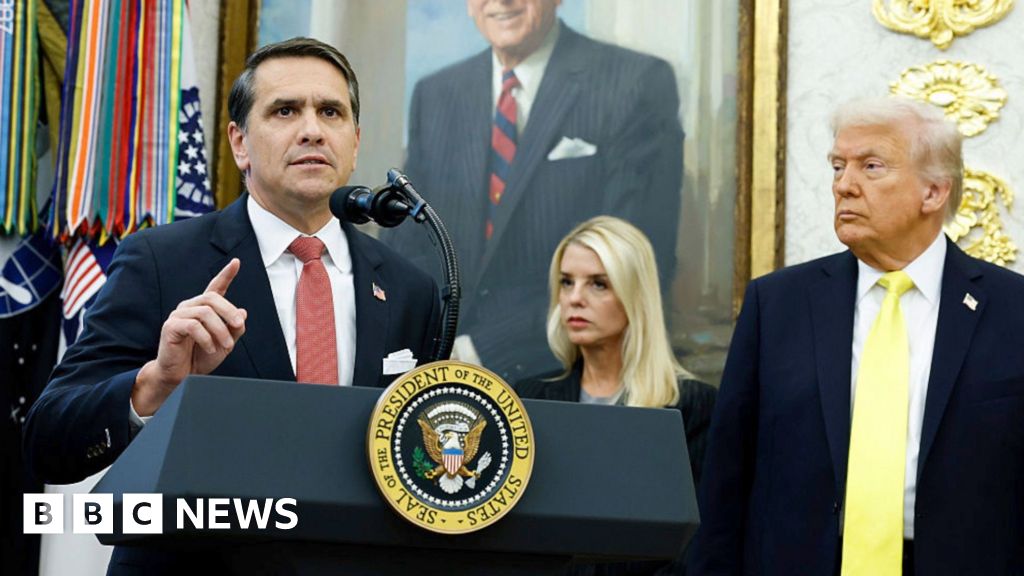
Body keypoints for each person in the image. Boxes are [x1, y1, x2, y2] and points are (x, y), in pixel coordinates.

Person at [23, 37, 439, 573]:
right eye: (285, 110)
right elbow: (48, 439)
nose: (312, 129)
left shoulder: (409, 289)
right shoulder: (161, 261)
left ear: (354, 143)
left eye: (330, 112)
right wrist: (155, 386)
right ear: (239, 143)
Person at [688, 98, 1024, 575]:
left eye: (871, 166)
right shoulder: (777, 305)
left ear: (933, 192)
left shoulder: (1012, 311)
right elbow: (726, 481)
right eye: (838, 166)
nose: (844, 185)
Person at [385, 0, 684, 382]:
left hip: (566, 377)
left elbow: (632, 261)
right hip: (438, 373)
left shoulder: (635, 83)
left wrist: (479, 351)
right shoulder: (435, 94)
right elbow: (407, 242)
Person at [518, 216, 716, 576]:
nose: (574, 299)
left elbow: (694, 548)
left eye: (598, 284)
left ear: (634, 295)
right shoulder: (531, 400)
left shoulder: (692, 406)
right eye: (566, 282)